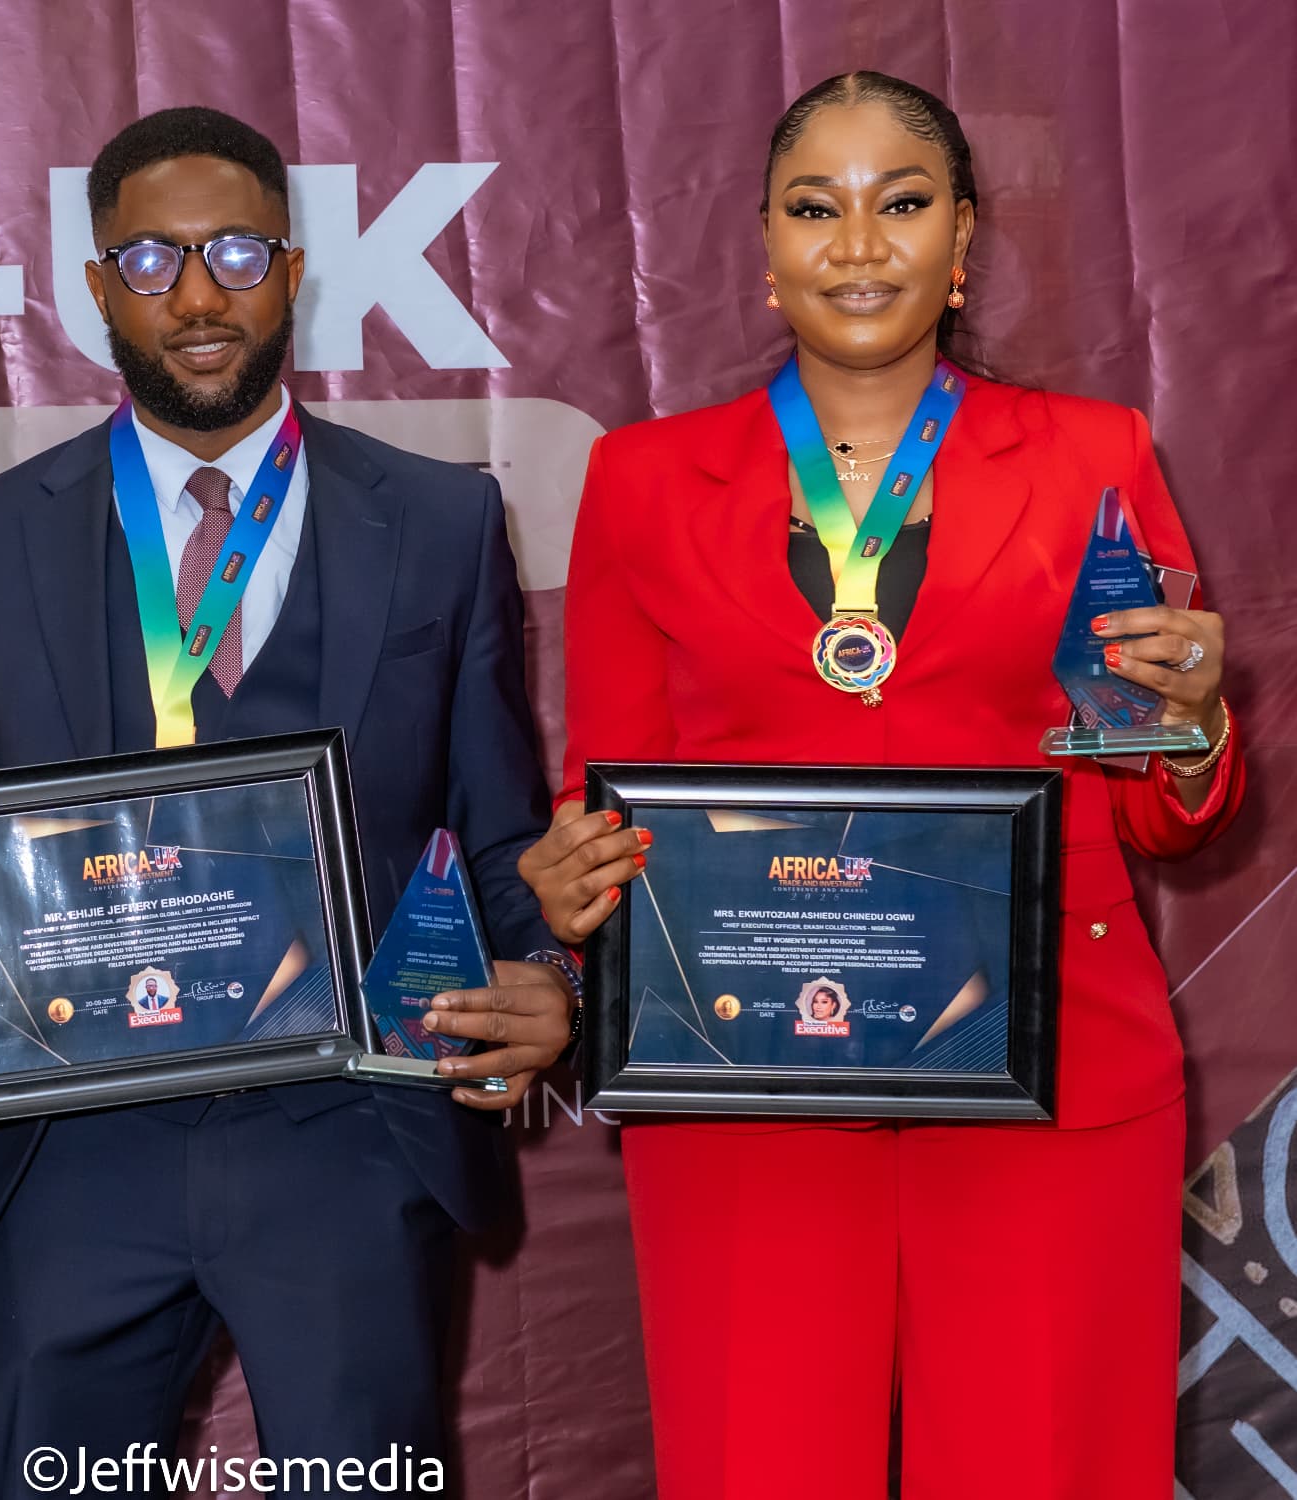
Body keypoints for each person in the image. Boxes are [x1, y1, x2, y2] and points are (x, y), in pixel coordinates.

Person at [0, 106, 577, 1495]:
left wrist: (547, 973)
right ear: (96, 287)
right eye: (150, 259)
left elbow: (494, 828)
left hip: (351, 1135)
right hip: (74, 1147)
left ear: (291, 271)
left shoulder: (439, 519)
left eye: (234, 253)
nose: (195, 296)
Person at [519, 72, 1243, 1499]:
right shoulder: (643, 479)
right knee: (761, 1469)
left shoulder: (1092, 455)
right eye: (814, 207)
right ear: (763, 244)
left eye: (900, 202)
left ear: (962, 236)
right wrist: (569, 880)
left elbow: (1162, 811)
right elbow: (600, 796)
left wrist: (1193, 725)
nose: (857, 243)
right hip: (747, 1084)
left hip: (1050, 1076)